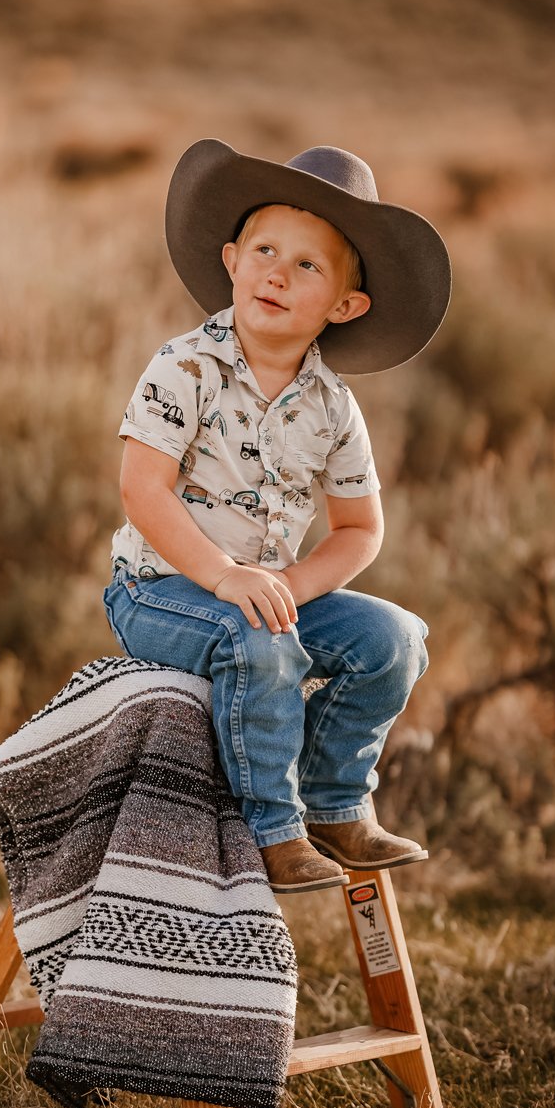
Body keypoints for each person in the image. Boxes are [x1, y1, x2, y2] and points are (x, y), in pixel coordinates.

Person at [103, 139, 451, 893]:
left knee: (393, 639)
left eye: (307, 266)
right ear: (231, 259)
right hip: (158, 590)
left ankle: (333, 806)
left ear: (344, 305)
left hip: (261, 594)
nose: (276, 272)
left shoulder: (332, 406)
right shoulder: (186, 366)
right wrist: (226, 576)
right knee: (257, 635)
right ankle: (273, 828)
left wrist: (291, 582)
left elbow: (361, 528)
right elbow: (144, 490)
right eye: (264, 249)